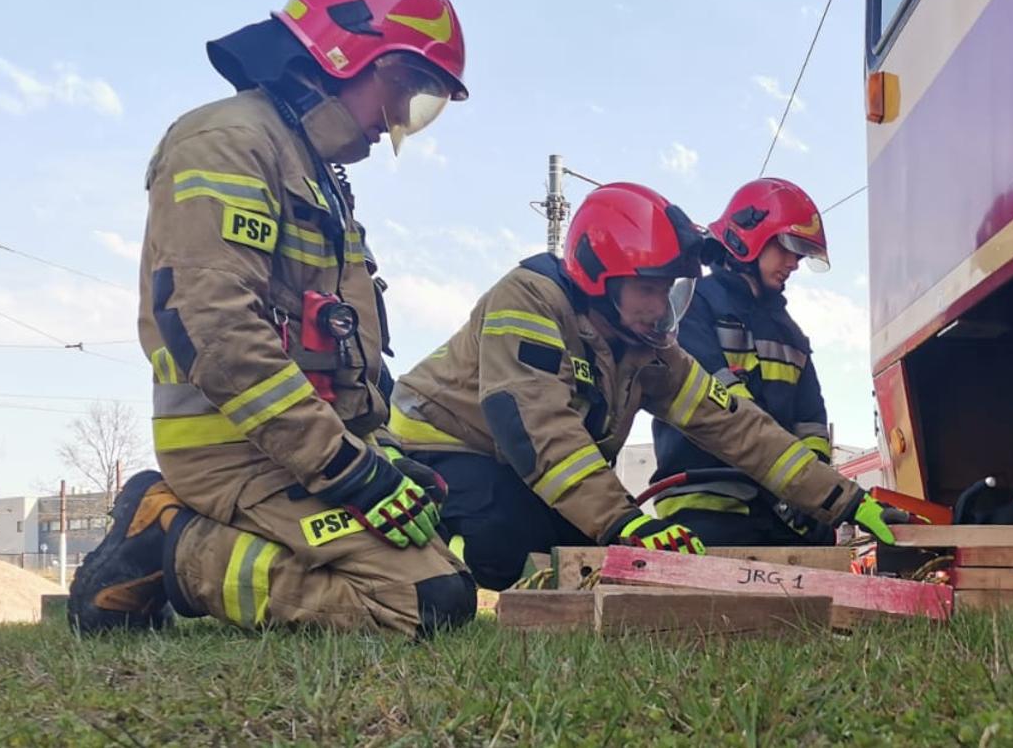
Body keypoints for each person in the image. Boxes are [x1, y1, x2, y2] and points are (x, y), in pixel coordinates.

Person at [69, 0, 475, 637]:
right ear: (348, 53)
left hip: (301, 445)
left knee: (451, 582)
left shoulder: (314, 173)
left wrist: (385, 455)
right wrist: (349, 470)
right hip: (236, 448)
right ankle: (168, 538)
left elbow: (343, 347)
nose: (403, 115)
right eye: (404, 86)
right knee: (419, 604)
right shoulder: (227, 142)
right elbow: (217, 332)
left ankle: (186, 534)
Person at [386, 182, 903, 590]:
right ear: (599, 277)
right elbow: (536, 427)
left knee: (584, 559)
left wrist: (844, 501)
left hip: (518, 462)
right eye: (648, 289)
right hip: (441, 446)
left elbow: (737, 427)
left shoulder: (650, 349)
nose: (662, 309)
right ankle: (434, 555)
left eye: (671, 290)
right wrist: (624, 522)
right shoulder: (529, 299)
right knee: (509, 546)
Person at [649, 177, 838, 546]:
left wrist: (814, 497)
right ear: (749, 237)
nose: (794, 264)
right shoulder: (693, 305)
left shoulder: (791, 334)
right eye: (787, 248)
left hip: (779, 505)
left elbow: (811, 425)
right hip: (707, 500)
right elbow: (724, 411)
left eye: (800, 254)